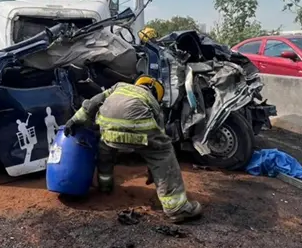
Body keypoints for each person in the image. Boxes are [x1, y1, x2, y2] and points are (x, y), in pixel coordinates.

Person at [64, 76, 202, 223]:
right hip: (139, 131)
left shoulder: (119, 86)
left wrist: (74, 119)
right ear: (155, 92)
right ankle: (177, 209)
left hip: (108, 130)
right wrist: (152, 171)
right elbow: (157, 141)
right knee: (163, 153)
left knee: (105, 151)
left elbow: (94, 102)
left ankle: (105, 186)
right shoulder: (152, 101)